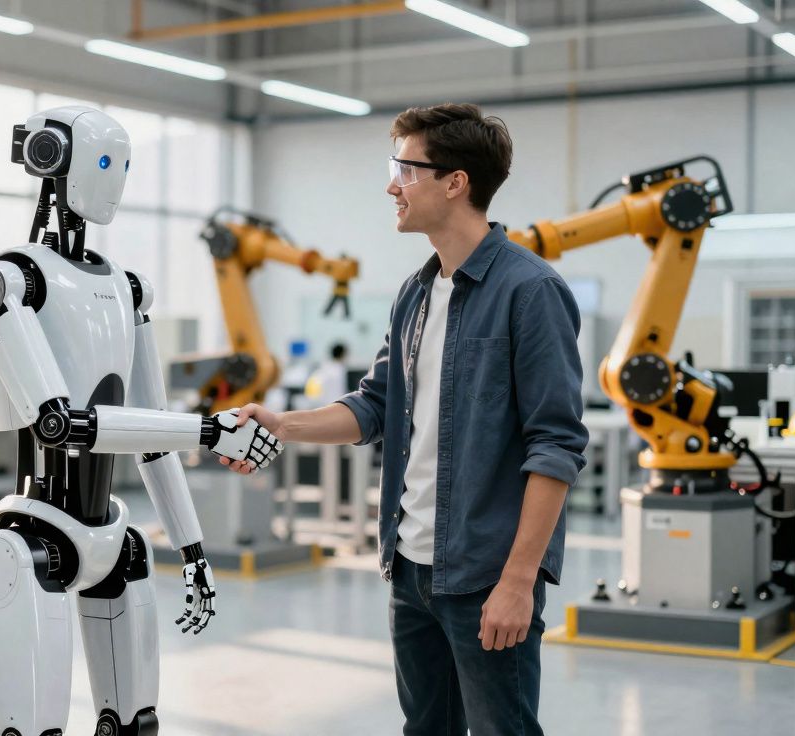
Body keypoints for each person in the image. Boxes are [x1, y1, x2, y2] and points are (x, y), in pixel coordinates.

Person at [222, 103, 588, 735]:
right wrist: (281, 425)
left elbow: (555, 447)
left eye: (406, 170)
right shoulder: (415, 295)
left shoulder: (530, 291)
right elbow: (376, 405)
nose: (393, 186)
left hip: (485, 574)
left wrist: (518, 582)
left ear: (455, 183)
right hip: (411, 567)